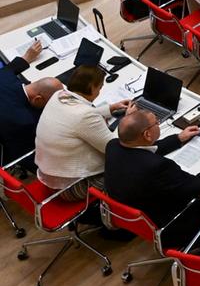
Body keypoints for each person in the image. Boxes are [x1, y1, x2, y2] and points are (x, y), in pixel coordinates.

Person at [104, 106, 200, 247]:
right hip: (171, 222)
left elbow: (146, 150)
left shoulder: (113, 146)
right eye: (156, 123)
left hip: (137, 218)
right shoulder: (157, 166)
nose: (158, 124)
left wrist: (178, 138)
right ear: (147, 135)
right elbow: (199, 185)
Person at [36, 65, 132, 195]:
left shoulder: (59, 95)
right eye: (100, 87)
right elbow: (114, 149)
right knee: (131, 168)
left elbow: (75, 115)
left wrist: (110, 108)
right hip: (71, 188)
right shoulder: (85, 116)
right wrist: (129, 120)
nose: (99, 92)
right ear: (92, 87)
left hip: (49, 175)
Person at [0, 42, 62, 166]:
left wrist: (27, 56)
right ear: (38, 99)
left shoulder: (4, 77)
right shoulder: (26, 121)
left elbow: (9, 69)